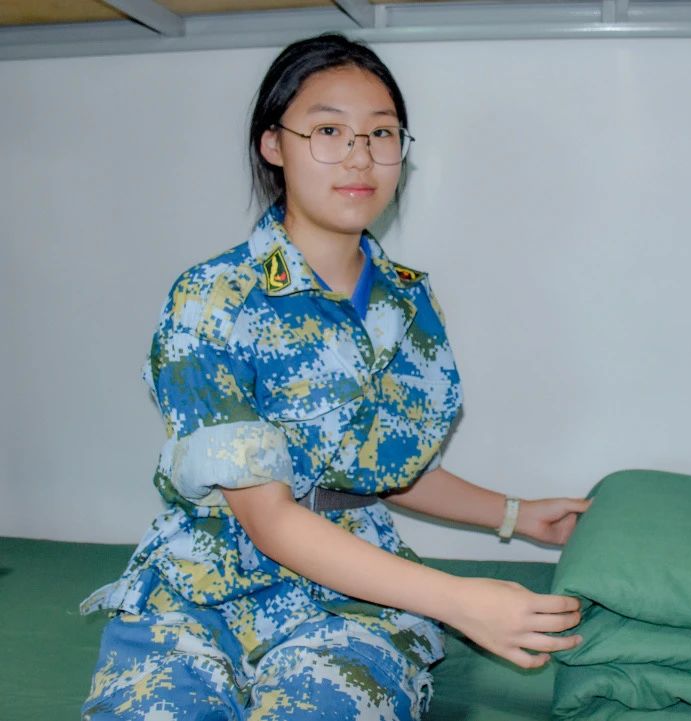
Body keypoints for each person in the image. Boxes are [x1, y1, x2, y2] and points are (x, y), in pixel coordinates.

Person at [80, 33, 591, 721]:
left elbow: (378, 466)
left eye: (381, 133)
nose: (359, 156)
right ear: (274, 145)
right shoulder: (213, 298)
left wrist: (517, 514)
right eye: (328, 131)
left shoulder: (407, 302)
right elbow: (268, 516)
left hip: (354, 601)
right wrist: (458, 599)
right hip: (200, 589)